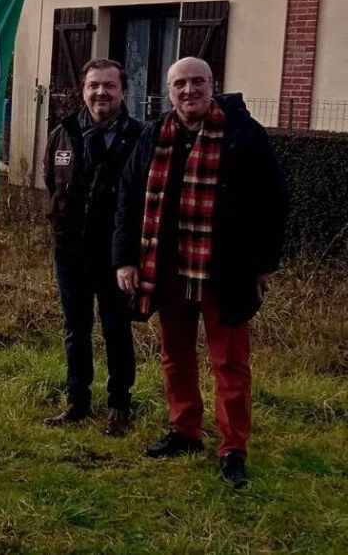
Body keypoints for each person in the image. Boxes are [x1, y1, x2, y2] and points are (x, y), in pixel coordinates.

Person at [114, 56, 288, 488]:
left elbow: (274, 201)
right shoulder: (155, 134)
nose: (188, 91)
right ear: (168, 91)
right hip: (168, 269)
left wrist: (264, 264)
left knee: (229, 362)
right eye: (180, 84)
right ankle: (184, 430)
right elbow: (129, 198)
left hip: (225, 270)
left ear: (213, 85)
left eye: (197, 82)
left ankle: (233, 448)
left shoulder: (243, 134)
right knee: (175, 354)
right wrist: (125, 258)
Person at [42, 58, 143, 437]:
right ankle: (77, 401)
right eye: (94, 86)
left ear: (123, 91)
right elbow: (51, 181)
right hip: (70, 250)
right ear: (83, 90)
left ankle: (119, 405)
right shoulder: (63, 133)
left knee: (117, 328)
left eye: (109, 86)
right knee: (75, 327)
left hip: (117, 255)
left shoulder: (138, 136)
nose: (101, 92)